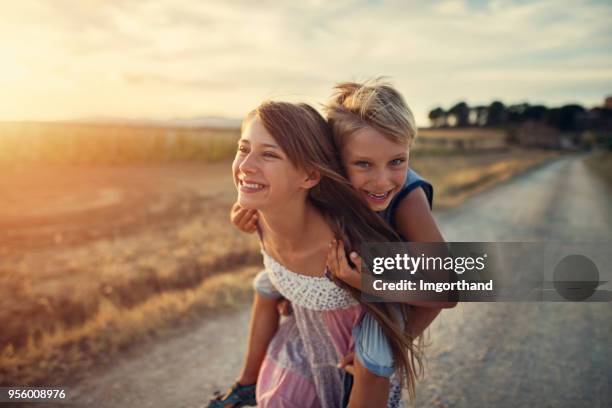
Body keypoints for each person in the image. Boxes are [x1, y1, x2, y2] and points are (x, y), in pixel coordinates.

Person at [209, 81, 455, 407]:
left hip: (395, 285)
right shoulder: (325, 187)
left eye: (398, 161)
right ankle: (247, 384)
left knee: (372, 358)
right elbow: (285, 208)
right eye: (363, 164)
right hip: (339, 278)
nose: (381, 180)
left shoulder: (408, 197)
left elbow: (447, 287)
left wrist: (397, 338)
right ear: (334, 163)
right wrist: (247, 213)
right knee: (266, 283)